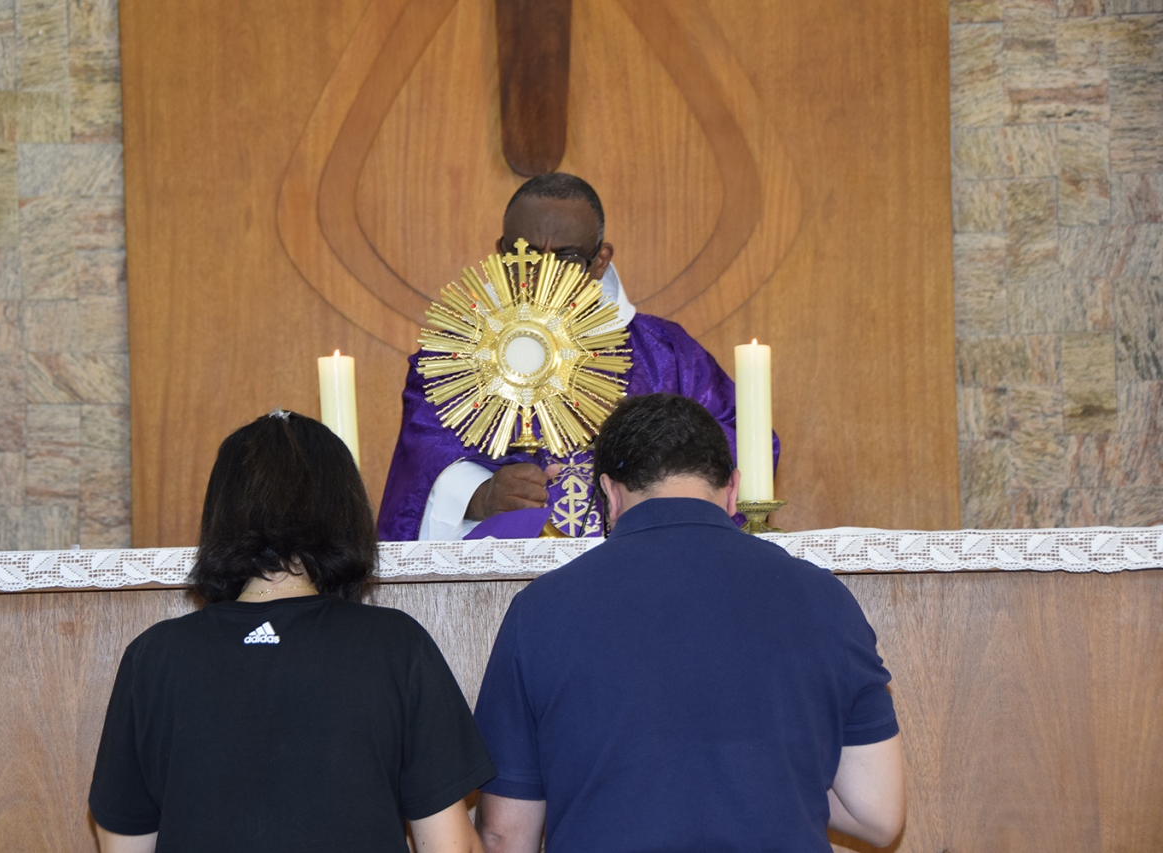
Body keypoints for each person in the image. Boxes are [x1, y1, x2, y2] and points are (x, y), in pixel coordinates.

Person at [472, 394, 905, 853]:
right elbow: (878, 816)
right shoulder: (825, 598)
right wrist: (776, 779)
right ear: (733, 490)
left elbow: (504, 835)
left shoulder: (539, 610)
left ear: (610, 494)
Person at [88, 409, 495, 853]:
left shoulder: (155, 655)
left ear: (221, 514)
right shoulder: (396, 644)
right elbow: (451, 846)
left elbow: (123, 846)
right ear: (344, 510)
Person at [377, 173, 778, 541]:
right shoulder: (455, 354)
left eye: (567, 258)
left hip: (638, 562)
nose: (544, 274)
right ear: (501, 252)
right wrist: (479, 495)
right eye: (526, 254)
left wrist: (653, 451)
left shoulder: (664, 355)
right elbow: (422, 457)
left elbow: (741, 442)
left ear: (600, 260)